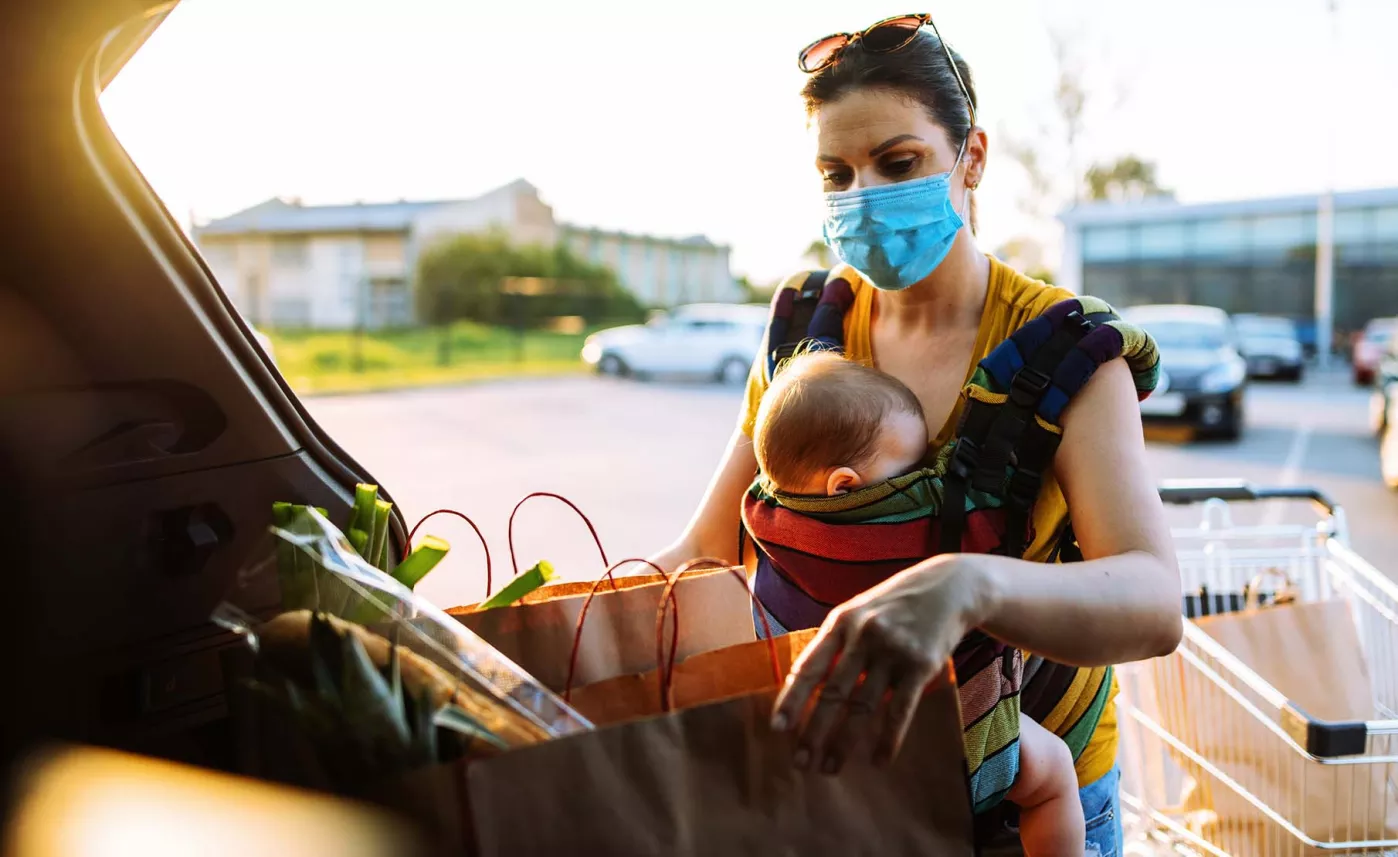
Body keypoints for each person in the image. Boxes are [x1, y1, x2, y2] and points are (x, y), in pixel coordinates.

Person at [647, 13, 1182, 855]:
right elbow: (711, 545)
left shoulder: (1066, 348)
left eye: (898, 164)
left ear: (970, 157)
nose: (862, 198)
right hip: (852, 783)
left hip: (1035, 796)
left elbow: (1154, 603)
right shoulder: (804, 328)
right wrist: (538, 632)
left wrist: (967, 585)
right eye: (837, 171)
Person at [751, 351, 1086, 856]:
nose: (928, 476)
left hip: (823, 743)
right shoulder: (916, 530)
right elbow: (1005, 528)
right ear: (845, 485)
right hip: (942, 735)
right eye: (913, 467)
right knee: (1053, 774)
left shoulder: (764, 517)